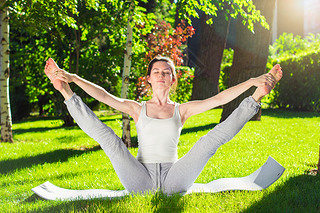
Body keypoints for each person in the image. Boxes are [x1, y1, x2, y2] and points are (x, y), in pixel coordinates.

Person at [44, 55, 282, 194]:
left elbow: (219, 99)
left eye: (166, 72)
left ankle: (257, 97)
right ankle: (65, 92)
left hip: (174, 177)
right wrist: (72, 79)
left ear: (172, 80)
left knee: (209, 141)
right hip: (140, 177)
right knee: (109, 141)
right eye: (155, 71)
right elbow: (105, 96)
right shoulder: (137, 108)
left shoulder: (182, 109)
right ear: (148, 78)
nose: (160, 75)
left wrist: (252, 83)